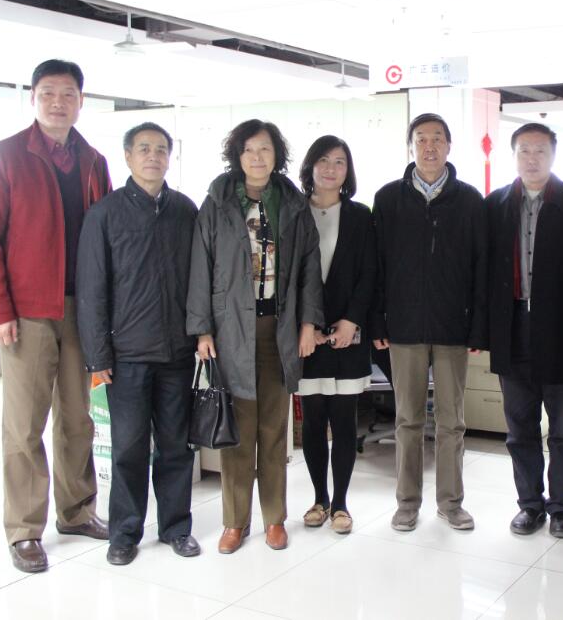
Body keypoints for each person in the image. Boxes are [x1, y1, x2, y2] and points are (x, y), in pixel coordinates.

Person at [0, 59, 111, 573]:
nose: (58, 102)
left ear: (81, 101)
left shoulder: (93, 161)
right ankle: (25, 529)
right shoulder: (3, 157)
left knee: (78, 418)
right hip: (26, 312)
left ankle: (77, 511)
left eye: (68, 94)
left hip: (80, 310)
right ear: (33, 97)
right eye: (48, 92)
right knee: (24, 425)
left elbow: (105, 239)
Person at [187, 119, 324, 553]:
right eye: (249, 149)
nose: (257, 157)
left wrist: (308, 324)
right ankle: (234, 521)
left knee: (273, 429)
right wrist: (202, 329)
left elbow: (309, 267)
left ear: (276, 154)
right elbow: (200, 266)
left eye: (265, 149)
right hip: (231, 330)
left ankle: (274, 519)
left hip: (278, 329)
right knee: (238, 430)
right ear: (238, 155)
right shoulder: (217, 202)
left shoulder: (292, 203)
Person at [76, 122, 200, 565]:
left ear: (170, 157)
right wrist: (97, 356)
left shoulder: (185, 210)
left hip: (177, 353)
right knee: (128, 448)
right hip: (126, 356)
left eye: (161, 149)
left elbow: (200, 280)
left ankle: (176, 527)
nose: (153, 156)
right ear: (128, 156)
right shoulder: (105, 214)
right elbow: (92, 289)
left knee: (175, 446)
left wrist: (201, 333)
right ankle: (125, 533)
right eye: (144, 149)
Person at [485, 123, 563, 538]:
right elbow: (484, 275)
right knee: (519, 427)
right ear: (514, 155)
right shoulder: (495, 205)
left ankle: (561, 508)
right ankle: (530, 505)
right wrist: (483, 334)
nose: (532, 158)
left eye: (540, 151)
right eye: (524, 150)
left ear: (553, 155)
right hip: (512, 329)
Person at [371, 112, 487, 532]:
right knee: (408, 420)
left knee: (452, 421)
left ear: (449, 146)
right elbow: (377, 266)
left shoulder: (470, 200)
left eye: (437, 138)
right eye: (421, 139)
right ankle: (407, 503)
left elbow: (481, 267)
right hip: (404, 327)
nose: (430, 146)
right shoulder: (388, 199)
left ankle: (451, 503)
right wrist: (377, 322)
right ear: (411, 146)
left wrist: (478, 326)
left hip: (454, 327)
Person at [296, 135, 375, 535]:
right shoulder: (293, 213)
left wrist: (352, 320)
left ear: (348, 170)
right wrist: (304, 324)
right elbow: (288, 276)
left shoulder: (360, 215)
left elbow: (369, 273)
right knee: (313, 421)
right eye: (323, 160)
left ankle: (341, 503)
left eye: (340, 161)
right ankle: (319, 499)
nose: (331, 168)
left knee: (344, 421)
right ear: (310, 166)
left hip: (348, 335)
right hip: (305, 337)